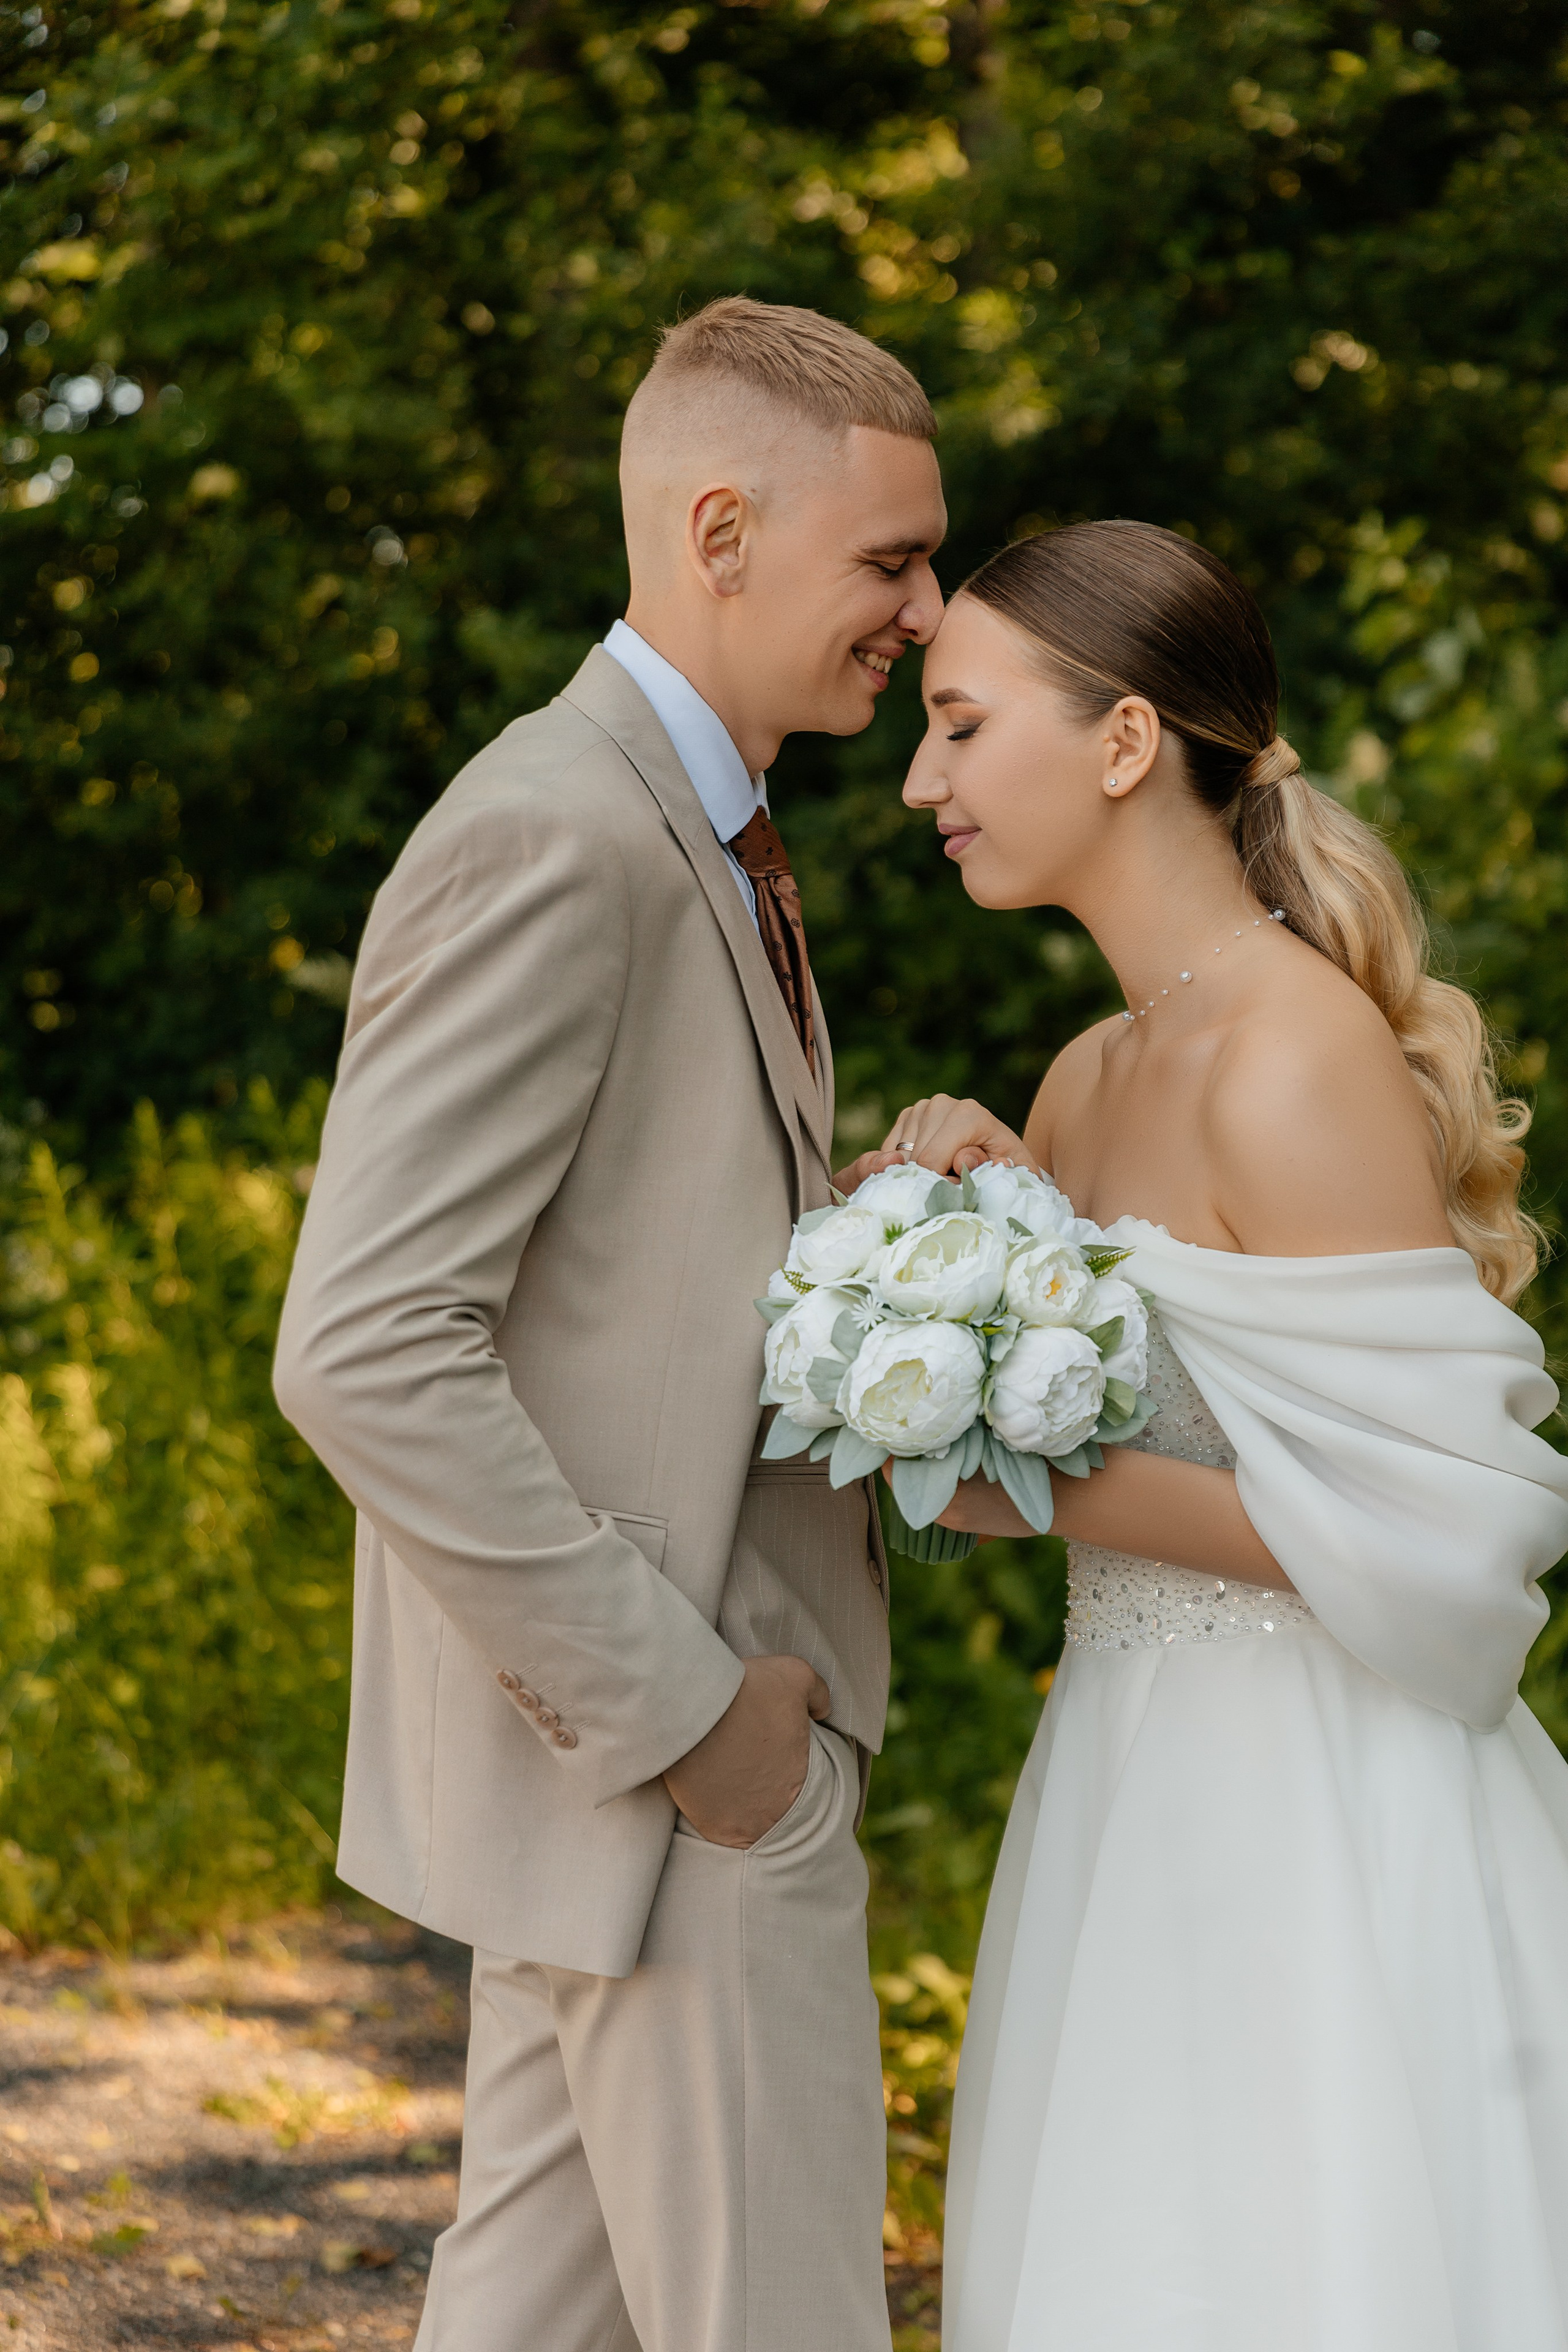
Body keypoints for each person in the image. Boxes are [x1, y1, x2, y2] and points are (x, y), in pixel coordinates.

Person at [273, 295, 947, 2352]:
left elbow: (647, 1262)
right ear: (721, 534)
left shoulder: (698, 821)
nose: (925, 612)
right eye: (892, 561)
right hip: (675, 1769)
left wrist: (898, 1223)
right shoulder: (556, 831)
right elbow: (367, 1345)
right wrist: (693, 1722)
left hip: (627, 1808)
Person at [854, 521, 1568, 2350]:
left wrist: (1030, 1473)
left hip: (1320, 1804)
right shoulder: (1086, 1079)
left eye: (958, 723)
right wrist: (952, 1257)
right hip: (1122, 1772)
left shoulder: (1294, 1052)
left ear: (1122, 741)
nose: (924, 780)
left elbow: (1437, 1529)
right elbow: (1108, 1406)